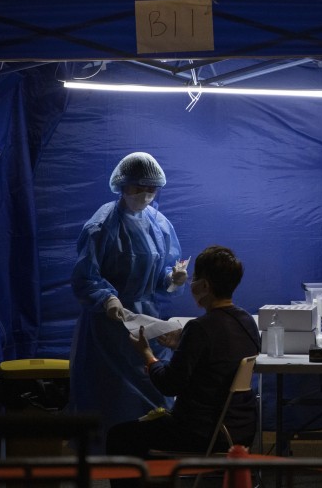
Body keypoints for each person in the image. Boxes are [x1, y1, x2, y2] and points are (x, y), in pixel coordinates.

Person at [69, 152, 187, 450]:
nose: (146, 195)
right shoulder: (101, 226)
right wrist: (107, 298)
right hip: (107, 331)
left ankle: (150, 464)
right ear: (122, 186)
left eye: (151, 189)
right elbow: (85, 277)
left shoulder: (158, 224)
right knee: (110, 399)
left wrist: (173, 279)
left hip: (147, 324)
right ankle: (103, 463)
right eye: (138, 188)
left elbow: (161, 272)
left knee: (154, 396)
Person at [106, 245, 261, 467]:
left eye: (195, 278)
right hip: (241, 430)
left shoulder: (200, 328)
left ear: (205, 286)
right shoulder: (247, 322)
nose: (192, 284)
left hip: (201, 433)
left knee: (119, 436)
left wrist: (148, 355)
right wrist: (183, 343)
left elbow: (169, 384)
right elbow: (220, 357)